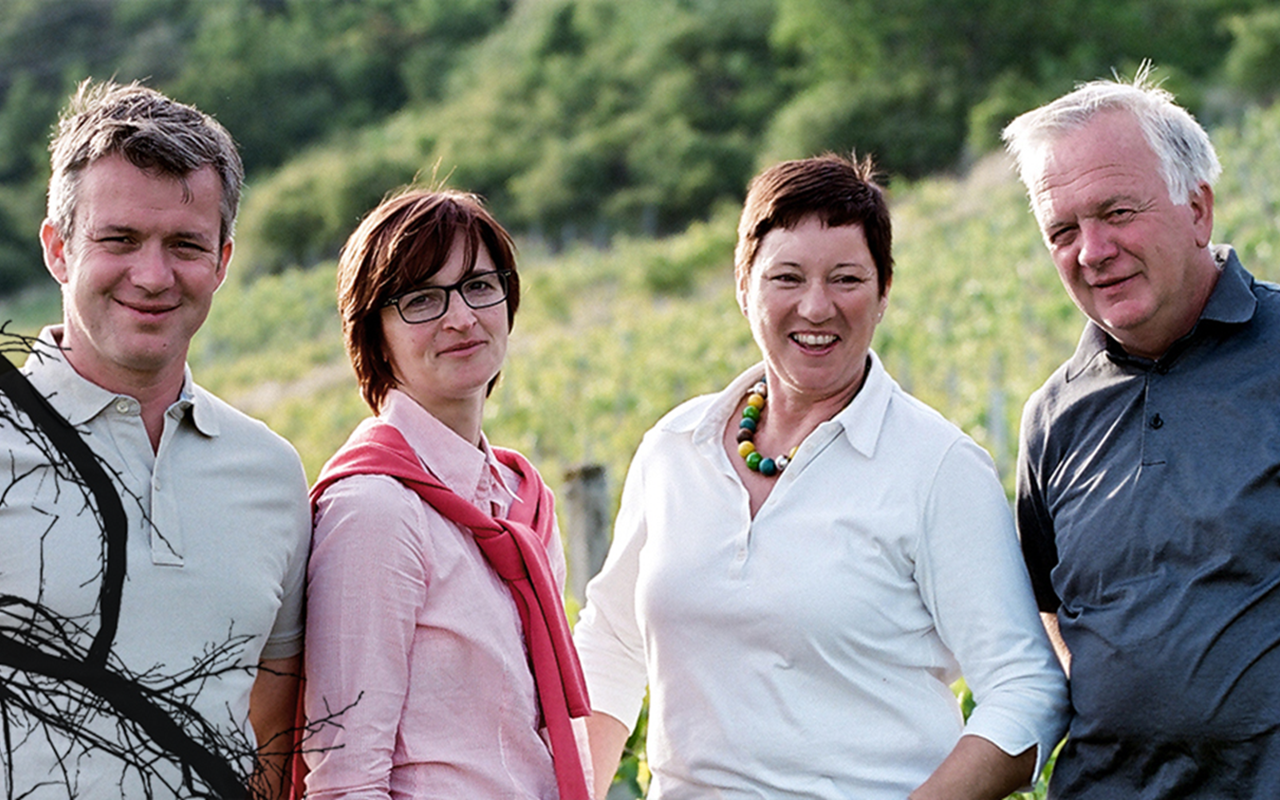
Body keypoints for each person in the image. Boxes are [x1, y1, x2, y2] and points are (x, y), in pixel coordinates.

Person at [572, 153, 1068, 800]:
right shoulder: (674, 449)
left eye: (846, 278)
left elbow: (1026, 689)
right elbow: (611, 644)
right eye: (787, 277)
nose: (816, 306)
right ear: (742, 284)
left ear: (884, 291)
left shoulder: (937, 467)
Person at [0, 80, 309, 798]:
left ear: (224, 261)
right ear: (57, 248)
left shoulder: (270, 473)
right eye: (119, 240)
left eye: (185, 245)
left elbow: (271, 720)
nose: (152, 274)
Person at [1002, 67, 1280, 798]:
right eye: (1062, 230)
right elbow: (1053, 612)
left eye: (1117, 212)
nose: (1092, 250)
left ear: (1198, 210)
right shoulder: (1053, 417)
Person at [302, 189, 591, 799]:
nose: (460, 317)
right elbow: (346, 780)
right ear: (373, 333)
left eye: (480, 286)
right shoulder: (375, 510)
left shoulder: (520, 501)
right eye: (422, 299)